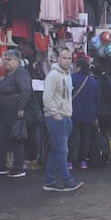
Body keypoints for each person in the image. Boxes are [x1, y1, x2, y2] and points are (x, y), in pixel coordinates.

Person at [43, 48, 83, 191]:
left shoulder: (67, 75)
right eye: (64, 58)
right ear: (58, 59)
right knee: (62, 150)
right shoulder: (53, 75)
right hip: (57, 117)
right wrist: (56, 114)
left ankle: (49, 180)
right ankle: (67, 180)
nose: (67, 60)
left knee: (56, 150)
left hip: (66, 116)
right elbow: (47, 97)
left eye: (69, 58)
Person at [0, 48, 32, 178]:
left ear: (17, 60)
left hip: (14, 112)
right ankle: (1, 164)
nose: (6, 62)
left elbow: (26, 90)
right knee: (1, 137)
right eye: (5, 59)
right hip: (3, 114)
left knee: (16, 138)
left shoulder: (21, 73)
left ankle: (18, 167)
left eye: (9, 59)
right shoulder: (10, 74)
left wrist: (21, 108)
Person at [69, 56, 99, 169]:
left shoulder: (71, 79)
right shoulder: (93, 82)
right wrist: (96, 115)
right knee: (85, 138)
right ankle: (83, 161)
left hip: (74, 111)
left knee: (73, 138)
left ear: (79, 67)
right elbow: (97, 100)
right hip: (89, 113)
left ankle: (70, 161)